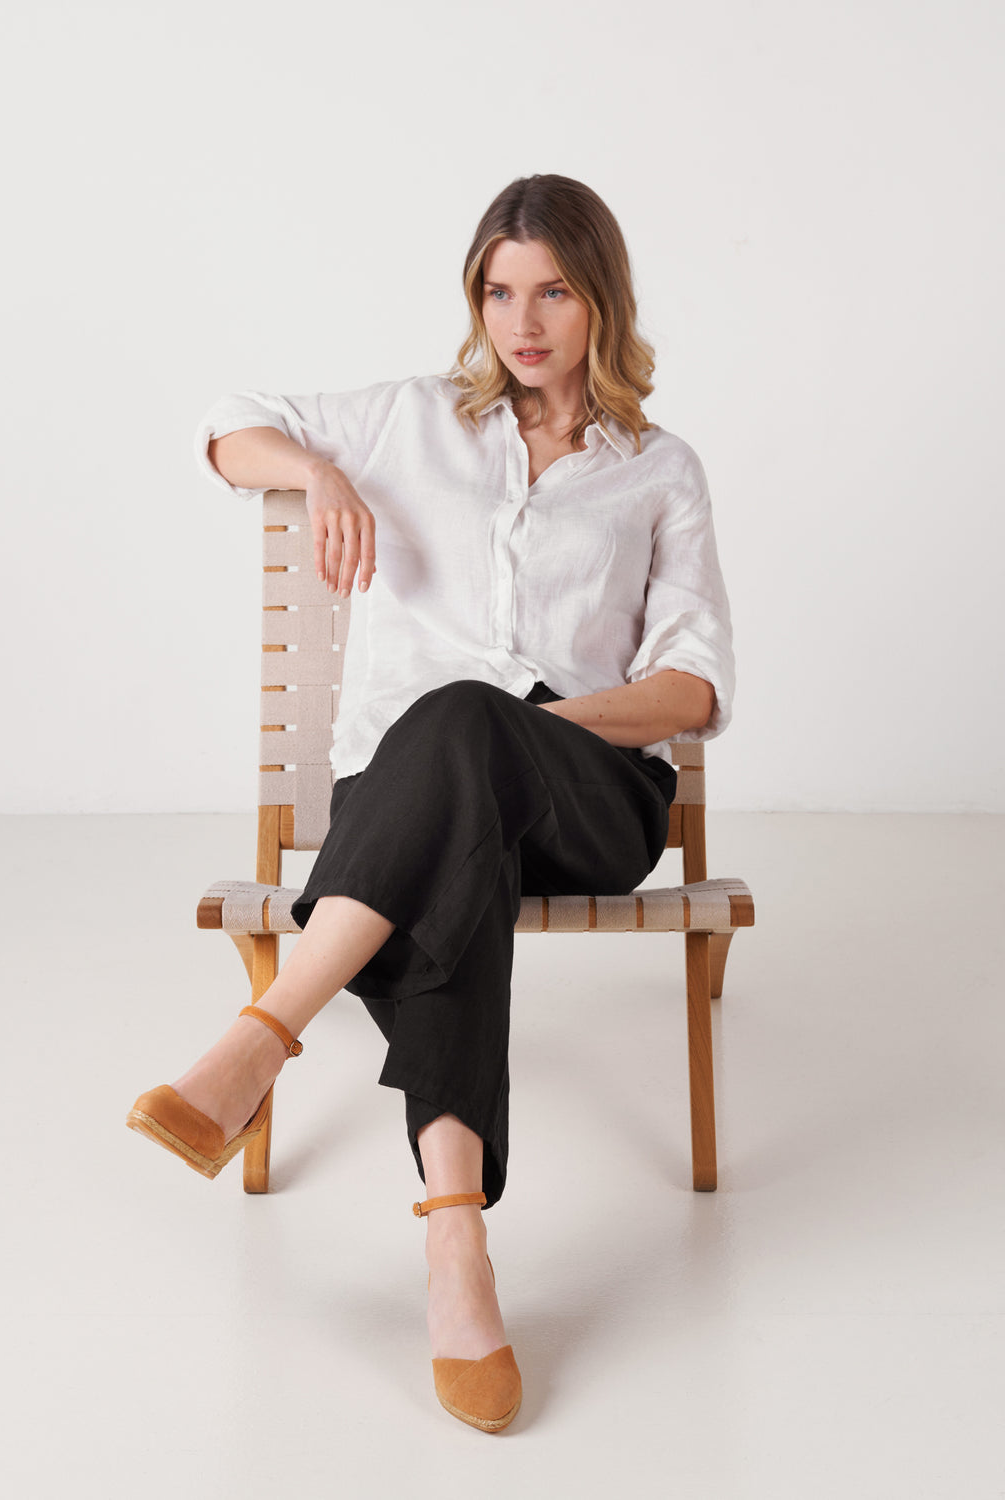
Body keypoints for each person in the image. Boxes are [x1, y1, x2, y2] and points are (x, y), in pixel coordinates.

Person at [127, 174, 734, 1433]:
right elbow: (227, 427)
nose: (524, 321)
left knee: (467, 722)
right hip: (408, 812)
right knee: (456, 827)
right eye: (500, 291)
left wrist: (526, 731)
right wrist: (320, 475)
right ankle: (457, 1249)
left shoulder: (659, 472)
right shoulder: (410, 420)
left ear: (599, 299)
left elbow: (689, 687)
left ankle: (265, 1028)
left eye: (554, 290)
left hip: (588, 798)